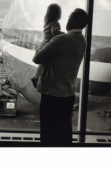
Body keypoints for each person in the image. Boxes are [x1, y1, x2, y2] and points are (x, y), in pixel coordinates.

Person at [32, 8, 88, 146]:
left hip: (52, 94)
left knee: (48, 134)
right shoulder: (82, 40)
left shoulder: (62, 40)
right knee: (64, 133)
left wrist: (46, 41)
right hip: (68, 94)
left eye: (69, 18)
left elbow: (37, 58)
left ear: (72, 21)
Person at [31, 3, 65, 88]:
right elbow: (55, 32)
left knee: (43, 63)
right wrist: (64, 34)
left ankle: (35, 77)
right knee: (48, 63)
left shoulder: (47, 23)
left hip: (43, 44)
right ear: (58, 14)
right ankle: (37, 78)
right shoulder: (55, 23)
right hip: (48, 45)